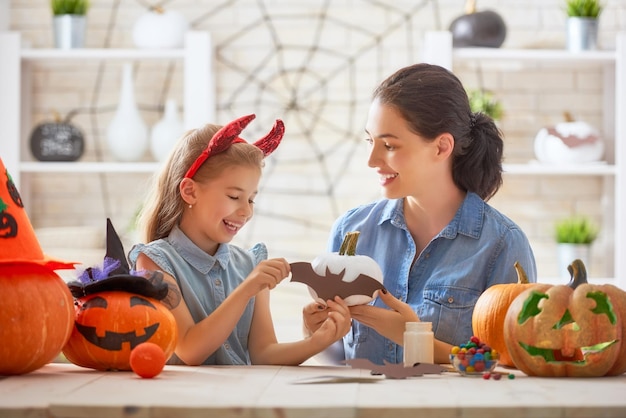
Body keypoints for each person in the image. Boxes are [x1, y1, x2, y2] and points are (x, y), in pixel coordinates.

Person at [303, 63, 537, 365]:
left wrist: (414, 337)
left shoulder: (502, 245)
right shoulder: (350, 230)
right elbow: (337, 360)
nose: (372, 160)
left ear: (441, 147)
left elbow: (508, 367)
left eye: (388, 145)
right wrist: (315, 334)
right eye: (369, 142)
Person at [129, 114, 351, 366]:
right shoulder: (153, 262)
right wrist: (246, 289)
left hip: (244, 399)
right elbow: (190, 349)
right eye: (234, 196)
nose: (246, 211)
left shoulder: (249, 264)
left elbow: (263, 353)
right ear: (190, 191)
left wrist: (318, 341)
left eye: (251, 199)